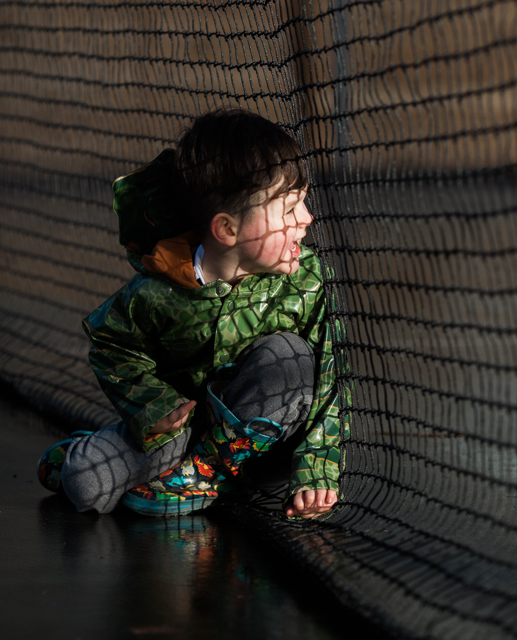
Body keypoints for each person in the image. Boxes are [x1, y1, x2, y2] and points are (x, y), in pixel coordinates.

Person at [36, 108, 341, 519]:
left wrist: (317, 469)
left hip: (262, 444)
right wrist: (153, 405)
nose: (306, 219)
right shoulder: (157, 291)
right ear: (227, 230)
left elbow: (330, 376)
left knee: (290, 356)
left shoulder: (307, 280)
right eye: (289, 209)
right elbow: (111, 343)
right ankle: (82, 454)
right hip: (180, 432)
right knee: (84, 485)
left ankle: (207, 476)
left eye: (303, 202)